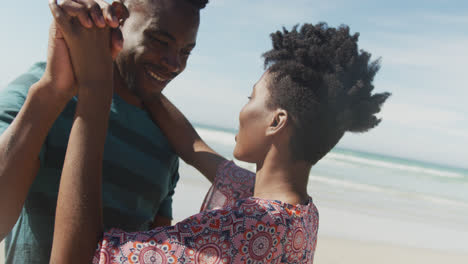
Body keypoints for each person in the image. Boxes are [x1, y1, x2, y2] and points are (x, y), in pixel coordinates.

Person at [48, 1, 390, 262]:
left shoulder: (244, 228)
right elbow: (193, 146)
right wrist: (132, 74)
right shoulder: (300, 216)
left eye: (251, 97)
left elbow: (85, 256)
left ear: (276, 122)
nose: (242, 110)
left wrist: (94, 88)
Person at [0, 0, 209, 262]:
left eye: (185, 52)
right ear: (119, 17)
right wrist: (53, 91)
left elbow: (155, 249)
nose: (174, 63)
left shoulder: (167, 137)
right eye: (159, 41)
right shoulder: (44, 89)